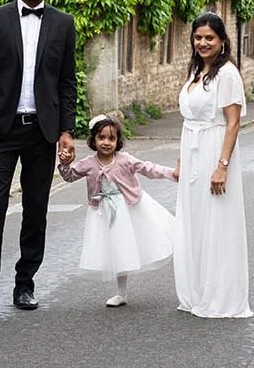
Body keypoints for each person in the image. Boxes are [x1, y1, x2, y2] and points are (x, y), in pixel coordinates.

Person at [0, 0, 77, 316]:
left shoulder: (63, 24)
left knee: (36, 210)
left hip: (42, 132)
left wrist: (66, 130)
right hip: (0, 130)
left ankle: (25, 283)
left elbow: (66, 82)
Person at [173, 11, 252, 318]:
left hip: (213, 149)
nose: (203, 43)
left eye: (209, 38)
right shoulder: (195, 70)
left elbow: (232, 124)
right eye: (198, 38)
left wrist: (222, 166)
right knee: (194, 222)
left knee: (216, 221)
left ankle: (220, 295)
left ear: (222, 42)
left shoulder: (228, 74)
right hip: (191, 150)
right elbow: (188, 119)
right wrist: (181, 159)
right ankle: (196, 291)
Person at [58, 114, 178, 307]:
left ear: (118, 141)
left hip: (127, 208)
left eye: (111, 138)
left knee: (128, 246)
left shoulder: (124, 160)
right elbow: (70, 176)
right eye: (101, 137)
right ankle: (121, 293)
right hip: (102, 212)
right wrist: (65, 163)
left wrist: (172, 173)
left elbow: (148, 168)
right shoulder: (88, 163)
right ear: (93, 140)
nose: (106, 142)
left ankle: (123, 292)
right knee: (114, 249)